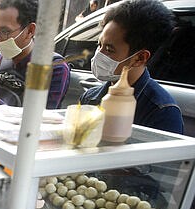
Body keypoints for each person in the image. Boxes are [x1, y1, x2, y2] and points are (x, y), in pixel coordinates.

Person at [79, 0, 184, 134]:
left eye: (109, 49)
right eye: (99, 45)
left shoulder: (162, 112)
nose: (99, 54)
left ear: (140, 58)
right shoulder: (89, 98)